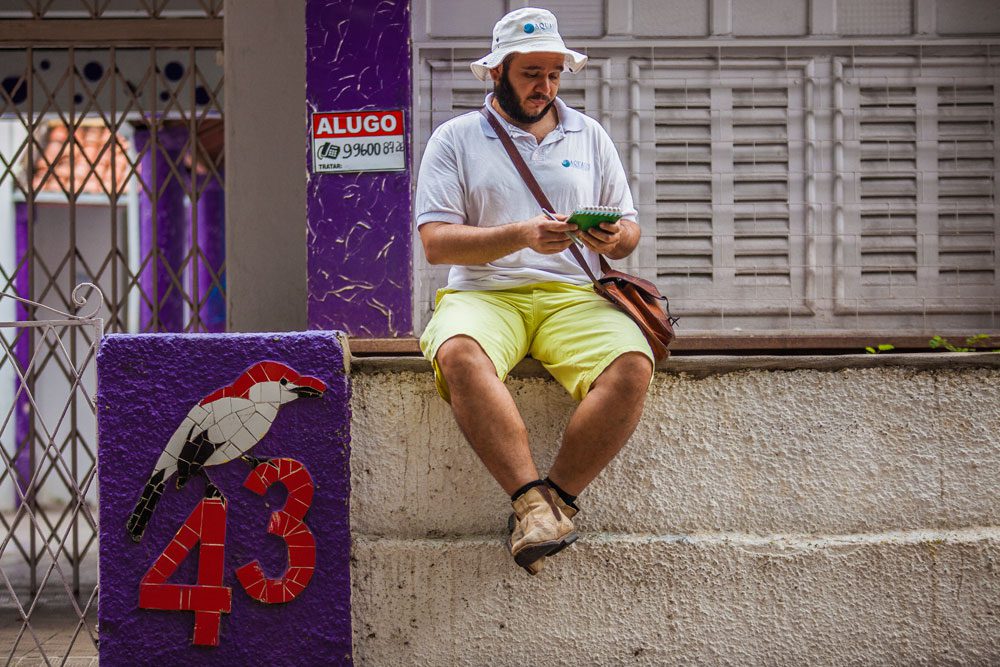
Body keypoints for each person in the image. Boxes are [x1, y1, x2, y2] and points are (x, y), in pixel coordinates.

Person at [414, 7, 653, 575]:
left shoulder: (589, 134)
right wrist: (521, 234)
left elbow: (630, 231)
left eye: (554, 73)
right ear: (498, 71)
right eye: (531, 74)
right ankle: (527, 499)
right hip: (484, 294)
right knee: (459, 354)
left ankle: (554, 506)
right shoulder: (454, 139)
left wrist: (614, 237)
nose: (545, 86)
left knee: (632, 364)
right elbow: (437, 243)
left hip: (572, 295)